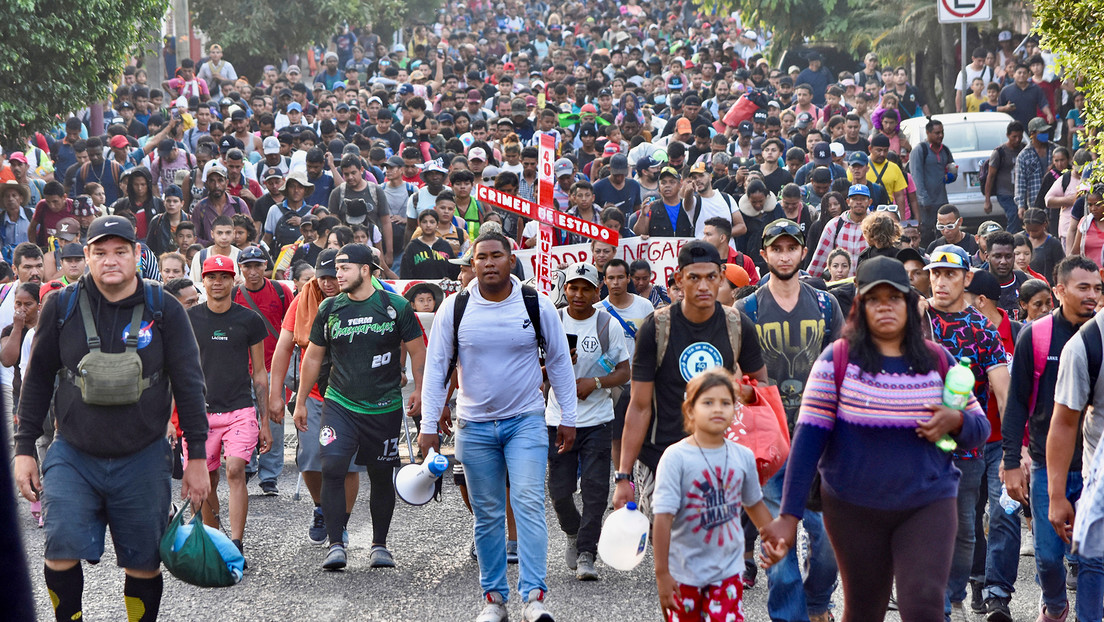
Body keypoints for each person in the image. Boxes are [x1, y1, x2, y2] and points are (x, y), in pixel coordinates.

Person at [761, 255, 990, 620]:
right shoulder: (836, 362)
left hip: (927, 503)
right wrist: (788, 516)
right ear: (860, 306)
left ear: (910, 303)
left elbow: (980, 428)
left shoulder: (938, 361)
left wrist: (956, 420)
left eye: (894, 297)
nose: (885, 306)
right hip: (853, 508)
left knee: (924, 606)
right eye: (874, 298)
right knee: (864, 609)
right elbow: (807, 444)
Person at [14, 215, 210, 622]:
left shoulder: (165, 309)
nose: (110, 260)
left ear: (137, 255)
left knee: (143, 563)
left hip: (143, 455)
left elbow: (191, 386)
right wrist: (24, 449)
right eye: (99, 252)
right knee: (60, 548)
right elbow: (35, 382)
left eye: (121, 251)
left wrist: (196, 459)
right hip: (73, 454)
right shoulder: (61, 306)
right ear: (85, 256)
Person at [418, 232, 577, 622]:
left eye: (496, 256)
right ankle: (494, 600)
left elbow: (558, 362)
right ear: (472, 265)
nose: (489, 263)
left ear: (510, 261)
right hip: (473, 427)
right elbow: (436, 368)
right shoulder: (455, 307)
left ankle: (534, 597)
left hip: (525, 421)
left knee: (527, 505)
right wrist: (428, 425)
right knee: (487, 514)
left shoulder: (534, 302)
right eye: (481, 258)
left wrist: (568, 417)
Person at [734, 219, 842, 622]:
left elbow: (842, 365)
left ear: (802, 253)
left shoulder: (827, 304)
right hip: (769, 440)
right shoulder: (746, 309)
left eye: (791, 248)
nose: (784, 255)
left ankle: (817, 600)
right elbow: (734, 373)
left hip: (818, 439)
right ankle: (790, 616)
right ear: (764, 254)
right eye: (776, 249)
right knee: (777, 544)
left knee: (828, 539)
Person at [294, 243, 426, 571]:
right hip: (339, 403)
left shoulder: (395, 306)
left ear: (365, 270)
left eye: (344, 268)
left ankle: (379, 545)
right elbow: (312, 356)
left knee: (381, 476)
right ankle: (336, 544)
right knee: (333, 466)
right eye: (336, 268)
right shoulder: (329, 309)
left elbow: (419, 351)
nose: (337, 274)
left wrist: (422, 391)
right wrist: (300, 401)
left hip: (383, 406)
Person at [613, 240, 767, 519]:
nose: (704, 286)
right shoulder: (655, 328)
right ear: (679, 280)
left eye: (711, 277)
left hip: (720, 460)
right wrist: (623, 477)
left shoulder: (737, 325)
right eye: (694, 278)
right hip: (661, 459)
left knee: (712, 551)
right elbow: (638, 406)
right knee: (670, 550)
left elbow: (762, 390)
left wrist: (738, 390)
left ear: (721, 278)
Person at [1003, 256, 1103, 622]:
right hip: (1048, 464)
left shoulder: (1102, 335)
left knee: (1093, 559)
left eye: (1097, 288)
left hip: (1096, 466)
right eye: (1083, 288)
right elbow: (1016, 404)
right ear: (1059, 291)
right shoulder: (1037, 335)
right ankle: (1056, 605)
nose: (1092, 295)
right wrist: (1011, 462)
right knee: (1047, 556)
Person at [653, 369, 786, 621]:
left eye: (726, 403)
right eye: (708, 402)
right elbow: (663, 518)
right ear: (690, 410)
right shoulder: (675, 458)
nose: (718, 409)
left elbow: (754, 504)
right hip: (683, 574)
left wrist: (773, 541)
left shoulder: (743, 456)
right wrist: (662, 574)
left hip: (728, 572)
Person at [921, 244, 1010, 619]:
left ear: (967, 278)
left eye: (950, 274)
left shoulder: (982, 330)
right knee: (921, 528)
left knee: (963, 532)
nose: (940, 281)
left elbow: (1003, 391)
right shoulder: (916, 321)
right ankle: (935, 602)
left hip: (968, 449)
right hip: (918, 444)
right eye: (935, 273)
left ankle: (954, 595)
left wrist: (1012, 450)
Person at [267, 249, 365, 545]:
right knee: (310, 460)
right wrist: (275, 394)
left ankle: (342, 523)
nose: (327, 282)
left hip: (352, 393)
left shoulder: (363, 296)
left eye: (332, 276)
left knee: (348, 464)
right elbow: (284, 347)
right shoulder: (302, 300)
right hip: (311, 392)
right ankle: (321, 507)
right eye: (322, 277)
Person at [547, 262, 630, 581]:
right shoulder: (553, 321)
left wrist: (594, 383)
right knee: (559, 492)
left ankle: (586, 553)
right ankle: (573, 531)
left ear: (598, 292)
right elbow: (534, 364)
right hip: (558, 420)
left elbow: (624, 371)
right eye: (573, 287)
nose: (578, 294)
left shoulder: (607, 324)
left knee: (595, 490)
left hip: (597, 420)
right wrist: (554, 370)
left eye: (586, 288)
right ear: (565, 289)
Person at [186, 254, 270, 564]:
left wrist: (265, 422)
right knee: (203, 480)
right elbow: (177, 371)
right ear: (203, 280)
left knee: (235, 470)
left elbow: (259, 372)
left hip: (240, 409)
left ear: (234, 280)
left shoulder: (249, 319)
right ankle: (213, 541)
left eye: (224, 276)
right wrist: (171, 418)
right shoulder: (189, 318)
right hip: (200, 413)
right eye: (212, 276)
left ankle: (235, 544)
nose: (218, 282)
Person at [232, 246, 294, 495]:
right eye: (247, 266)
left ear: (266, 266)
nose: (253, 271)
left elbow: (292, 324)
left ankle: (270, 476)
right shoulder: (234, 293)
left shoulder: (281, 291)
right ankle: (247, 466)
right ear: (240, 268)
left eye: (258, 265)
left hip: (271, 367)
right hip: (239, 368)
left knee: (273, 422)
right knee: (244, 419)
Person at [807, 184, 872, 278]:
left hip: (867, 286)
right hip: (839, 287)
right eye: (854, 199)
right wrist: (807, 284)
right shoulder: (834, 225)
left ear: (869, 202)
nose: (858, 202)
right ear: (848, 202)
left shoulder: (876, 226)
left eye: (862, 199)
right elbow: (819, 262)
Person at [910, 119, 955, 244]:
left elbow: (950, 169)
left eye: (942, 132)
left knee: (943, 232)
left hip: (941, 200)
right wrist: (924, 198)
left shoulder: (945, 150)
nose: (940, 135)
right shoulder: (920, 150)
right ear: (928, 133)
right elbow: (916, 176)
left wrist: (951, 175)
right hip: (926, 202)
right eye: (937, 133)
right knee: (926, 233)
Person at [983, 120, 1026, 233]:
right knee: (1014, 215)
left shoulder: (1025, 150)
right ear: (1008, 135)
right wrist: (987, 200)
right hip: (1005, 193)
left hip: (1021, 193)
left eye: (1020, 136)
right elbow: (990, 176)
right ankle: (1010, 241)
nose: (1017, 140)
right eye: (1014, 136)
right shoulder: (999, 152)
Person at [985, 230, 1032, 321]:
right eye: (997, 256)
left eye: (1008, 256)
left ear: (1014, 257)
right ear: (987, 257)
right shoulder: (979, 286)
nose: (1003, 262)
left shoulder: (1025, 281)